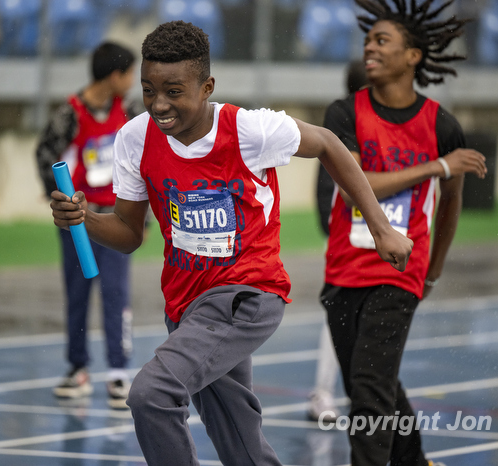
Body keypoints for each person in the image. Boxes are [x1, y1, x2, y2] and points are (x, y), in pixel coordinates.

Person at [49, 20, 413, 466]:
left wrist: (380, 228)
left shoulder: (251, 130)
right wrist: (85, 219)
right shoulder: (135, 138)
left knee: (152, 394)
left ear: (207, 87)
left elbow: (328, 144)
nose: (159, 104)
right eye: (148, 90)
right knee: (240, 444)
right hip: (186, 306)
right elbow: (128, 233)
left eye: (173, 91)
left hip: (247, 293)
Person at [320, 0, 487, 465]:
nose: (369, 48)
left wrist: (431, 272)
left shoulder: (442, 126)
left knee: (369, 390)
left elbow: (450, 204)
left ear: (413, 55)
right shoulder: (343, 114)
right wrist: (434, 167)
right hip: (343, 271)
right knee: (373, 382)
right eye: (367, 40)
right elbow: (354, 188)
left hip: (399, 273)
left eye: (382, 40)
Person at [36, 41, 142, 409]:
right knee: (77, 294)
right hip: (77, 223)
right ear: (114, 75)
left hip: (116, 220)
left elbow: (144, 159)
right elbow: (44, 153)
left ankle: (118, 372)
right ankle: (78, 368)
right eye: (130, 73)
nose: (133, 80)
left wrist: (143, 213)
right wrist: (56, 195)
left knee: (116, 293)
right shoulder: (70, 114)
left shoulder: (130, 111)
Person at [308, 58, 368, 423]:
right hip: (348, 235)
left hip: (378, 235)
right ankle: (323, 392)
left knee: (368, 317)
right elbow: (328, 182)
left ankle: (364, 393)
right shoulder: (343, 119)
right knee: (341, 312)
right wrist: (332, 225)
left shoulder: (391, 122)